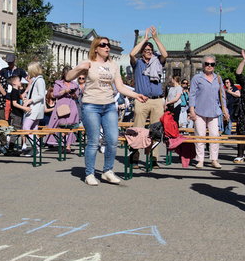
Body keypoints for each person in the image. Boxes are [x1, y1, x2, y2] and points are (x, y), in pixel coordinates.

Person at [67, 36, 148, 186]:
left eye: (108, 45)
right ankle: (89, 174)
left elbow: (121, 87)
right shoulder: (89, 63)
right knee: (93, 141)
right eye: (103, 45)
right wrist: (79, 68)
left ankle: (107, 171)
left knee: (112, 140)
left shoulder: (113, 65)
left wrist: (136, 95)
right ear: (96, 48)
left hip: (109, 106)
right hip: (91, 105)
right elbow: (68, 77)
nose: (107, 47)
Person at [129, 26, 168, 168]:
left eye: (150, 50)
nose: (148, 52)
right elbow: (132, 54)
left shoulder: (157, 62)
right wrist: (145, 39)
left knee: (156, 130)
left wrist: (155, 38)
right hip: (141, 99)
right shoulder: (138, 63)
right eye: (146, 50)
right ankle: (134, 157)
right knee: (138, 129)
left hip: (157, 100)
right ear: (142, 52)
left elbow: (165, 54)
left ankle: (153, 158)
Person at [189, 55, 229, 169]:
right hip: (199, 111)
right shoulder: (197, 78)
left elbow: (222, 96)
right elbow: (191, 95)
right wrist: (192, 110)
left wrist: (225, 109)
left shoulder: (219, 78)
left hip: (214, 111)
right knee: (200, 136)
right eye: (207, 64)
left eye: (212, 64)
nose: (209, 66)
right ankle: (200, 159)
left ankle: (214, 159)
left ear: (214, 66)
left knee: (215, 136)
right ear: (203, 65)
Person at [46, 66, 80, 152]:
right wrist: (64, 91)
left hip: (72, 105)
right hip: (62, 106)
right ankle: (60, 143)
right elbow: (55, 94)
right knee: (61, 124)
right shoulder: (58, 83)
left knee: (71, 126)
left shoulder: (75, 84)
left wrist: (73, 94)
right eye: (67, 74)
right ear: (64, 74)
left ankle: (68, 146)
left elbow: (77, 96)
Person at [20, 62, 46, 156]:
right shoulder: (36, 80)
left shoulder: (39, 80)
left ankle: (37, 147)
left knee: (26, 128)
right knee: (34, 129)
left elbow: (41, 95)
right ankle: (36, 149)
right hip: (35, 108)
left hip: (35, 108)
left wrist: (29, 100)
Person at [7, 75, 30, 152]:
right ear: (14, 83)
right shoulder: (14, 91)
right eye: (19, 81)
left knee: (18, 130)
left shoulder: (17, 91)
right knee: (16, 131)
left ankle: (11, 147)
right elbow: (14, 103)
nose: (20, 82)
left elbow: (20, 98)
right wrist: (24, 108)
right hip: (16, 114)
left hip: (19, 114)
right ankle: (10, 148)